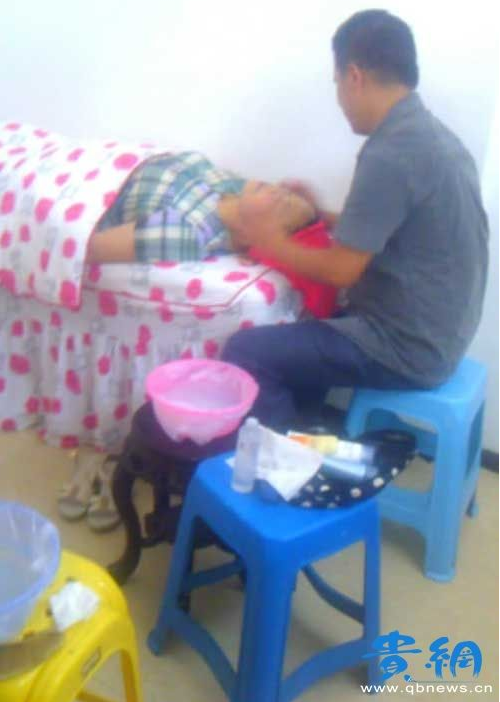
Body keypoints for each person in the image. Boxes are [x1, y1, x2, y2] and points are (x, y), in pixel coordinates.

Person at [221, 9, 489, 432]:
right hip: (443, 334)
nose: (340, 99)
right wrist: (318, 214)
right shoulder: (431, 136)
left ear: (354, 76)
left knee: (246, 350)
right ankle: (304, 431)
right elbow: (387, 227)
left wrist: (268, 238)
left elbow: (341, 270)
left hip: (408, 348)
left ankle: (286, 463)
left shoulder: (390, 154)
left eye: (337, 84)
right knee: (304, 331)